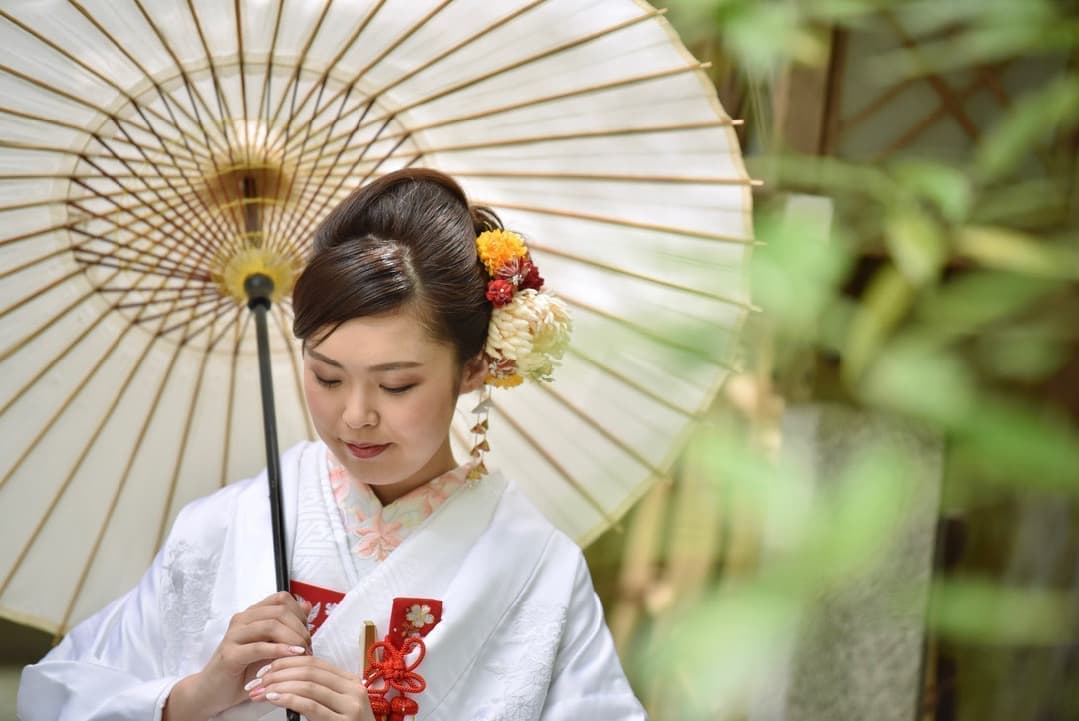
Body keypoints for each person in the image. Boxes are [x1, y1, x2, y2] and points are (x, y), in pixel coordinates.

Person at [18, 168, 647, 721]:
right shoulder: (229, 525)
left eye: (397, 384)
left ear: (475, 366)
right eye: (326, 376)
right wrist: (192, 698)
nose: (354, 416)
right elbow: (54, 695)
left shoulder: (537, 571)